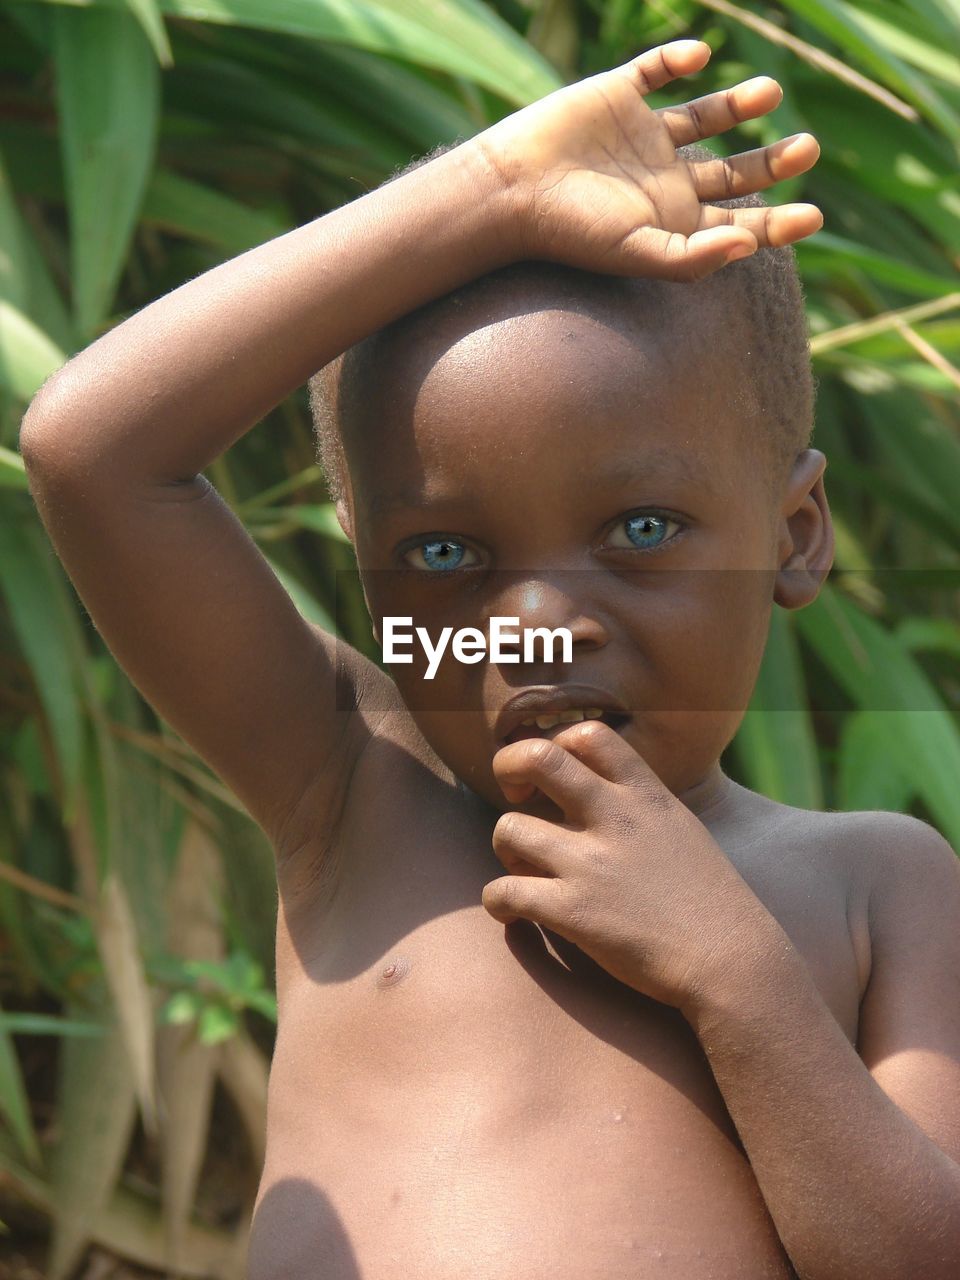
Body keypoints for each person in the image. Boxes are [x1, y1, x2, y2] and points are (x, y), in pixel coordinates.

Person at [18, 38, 960, 1280]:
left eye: (640, 531)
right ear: (370, 579)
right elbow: (91, 451)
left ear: (792, 536)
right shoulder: (353, 788)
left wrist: (741, 981)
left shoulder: (875, 883)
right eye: (449, 551)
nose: (535, 623)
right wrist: (492, 188)